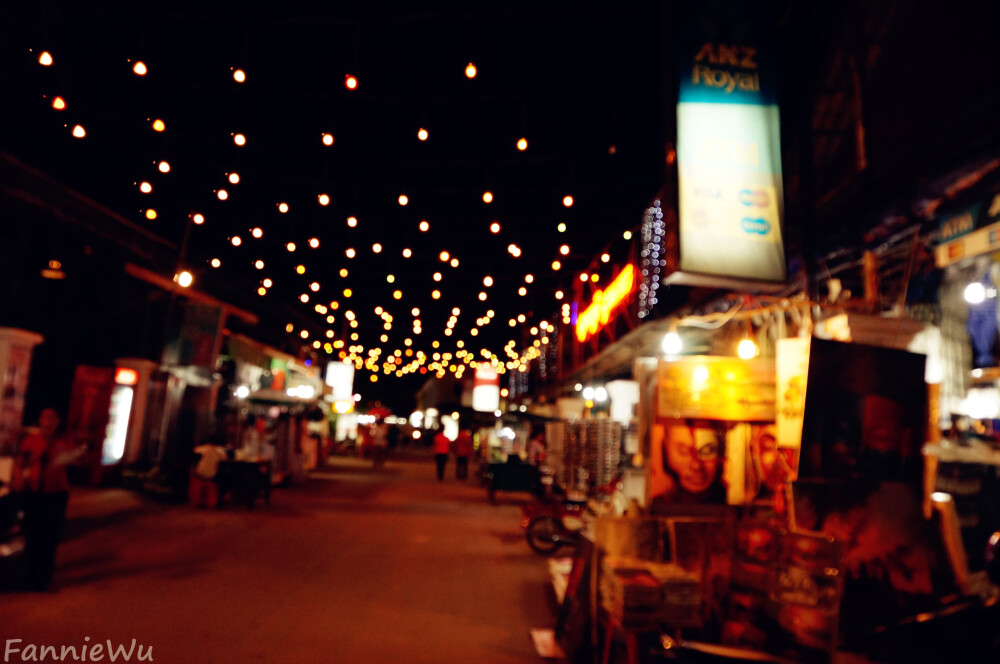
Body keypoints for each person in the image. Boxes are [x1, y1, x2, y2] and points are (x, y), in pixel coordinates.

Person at [11, 408, 84, 591]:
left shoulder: (65, 441)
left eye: (52, 417)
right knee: (31, 535)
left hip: (56, 494)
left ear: (58, 421)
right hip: (34, 493)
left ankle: (43, 579)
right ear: (40, 420)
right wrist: (19, 479)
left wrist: (75, 454)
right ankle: (28, 576)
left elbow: (79, 461)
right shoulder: (31, 440)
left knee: (50, 537)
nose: (48, 421)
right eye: (45, 417)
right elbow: (21, 461)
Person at [651, 418, 726, 511]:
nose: (696, 465)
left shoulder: (739, 510)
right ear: (666, 449)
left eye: (708, 450)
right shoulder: (651, 510)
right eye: (683, 451)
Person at [189, 440, 227, 508]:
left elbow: (195, 450)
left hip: (200, 473)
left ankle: (199, 499)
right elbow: (225, 458)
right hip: (212, 474)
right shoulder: (220, 451)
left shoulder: (204, 448)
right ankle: (217, 500)